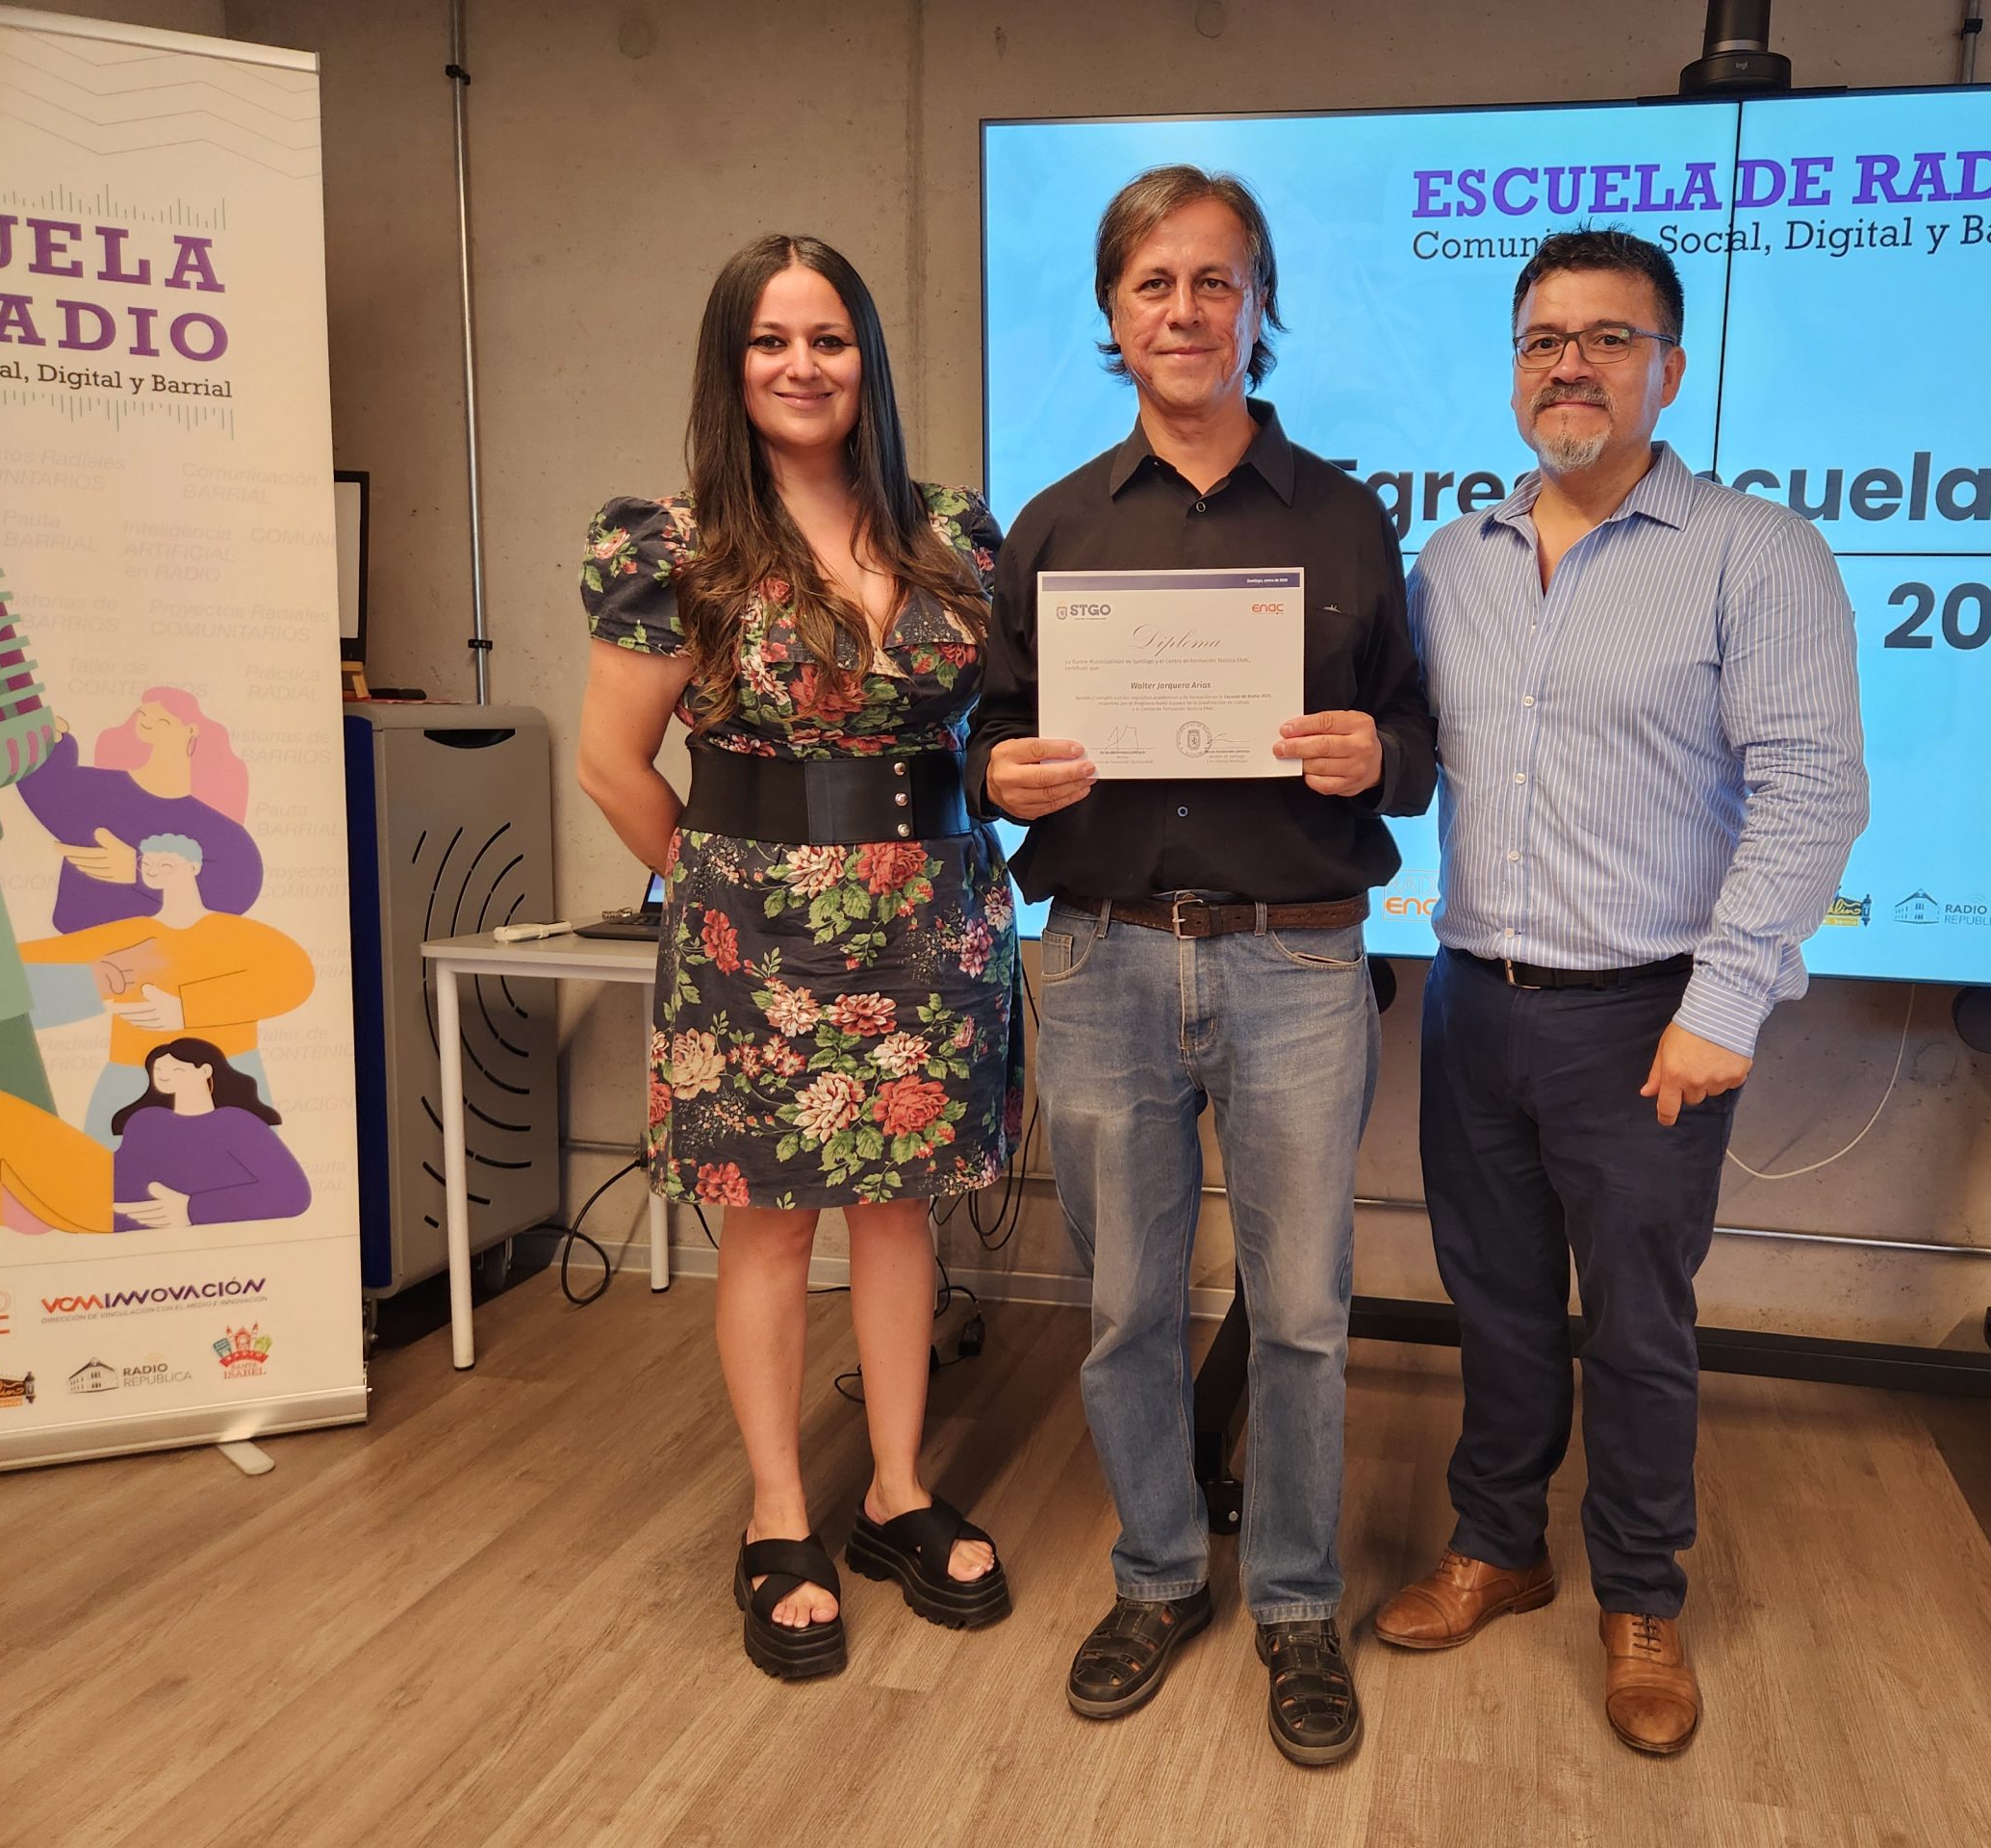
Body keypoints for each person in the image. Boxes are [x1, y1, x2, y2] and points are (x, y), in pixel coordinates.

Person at [1378, 228, 1868, 1756]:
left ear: (1671, 368)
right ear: (1513, 370)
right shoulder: (1452, 562)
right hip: (1473, 996)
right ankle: (1499, 1544)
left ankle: (1641, 1598)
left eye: (1608, 338)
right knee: (1496, 1300)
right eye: (1544, 341)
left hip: (1648, 1015)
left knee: (1640, 1328)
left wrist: (1723, 1006)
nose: (1570, 366)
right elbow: (1406, 756)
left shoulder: (1756, 551)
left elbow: (1812, 791)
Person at [968, 166, 1433, 1767]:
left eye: (1215, 280)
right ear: (1114, 311)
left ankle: (1297, 1603)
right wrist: (996, 773)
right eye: (1154, 282)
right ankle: (1159, 1576)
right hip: (1101, 960)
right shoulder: (1054, 524)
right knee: (1124, 1310)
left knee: (1300, 1310)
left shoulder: (1346, 518)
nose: (1186, 310)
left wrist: (1381, 755)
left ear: (1259, 304)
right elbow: (989, 730)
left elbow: (1416, 732)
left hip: (1297, 965)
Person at [577, 233, 1021, 1682]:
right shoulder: (670, 542)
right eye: (771, 340)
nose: (801, 364)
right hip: (752, 931)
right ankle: (778, 1514)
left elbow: (988, 724)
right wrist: (721, 891)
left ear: (865, 357)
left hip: (936, 915)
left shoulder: (950, 527)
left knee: (898, 1213)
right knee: (769, 1225)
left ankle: (894, 1490)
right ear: (732, 362)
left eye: (828, 338)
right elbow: (612, 763)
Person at [17, 833, 312, 1144]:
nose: (155, 871)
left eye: (166, 864)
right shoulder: (131, 933)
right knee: (109, 1160)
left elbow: (295, 979)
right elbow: (39, 954)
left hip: (228, 1066)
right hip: (132, 1071)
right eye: (148, 865)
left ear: (194, 867)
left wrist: (187, 1009)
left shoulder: (239, 934)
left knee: (244, 1154)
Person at [0, 1036, 310, 1236]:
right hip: (96, 1180)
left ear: (205, 1071)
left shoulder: (237, 1123)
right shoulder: (147, 1118)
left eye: (176, 1069)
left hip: (110, 1207)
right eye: (160, 1071)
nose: (165, 1075)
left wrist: (192, 1209)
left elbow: (292, 1194)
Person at [15, 692, 262, 930]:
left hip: (170, 953)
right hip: (77, 946)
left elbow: (239, 886)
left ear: (192, 730)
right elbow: (49, 791)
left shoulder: (216, 830)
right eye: (146, 710)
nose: (150, 711)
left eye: (166, 713)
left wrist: (139, 870)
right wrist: (52, 744)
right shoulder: (97, 791)